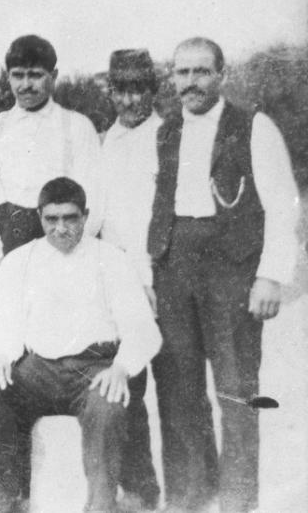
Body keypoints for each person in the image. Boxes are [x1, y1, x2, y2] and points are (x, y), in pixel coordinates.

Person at [148, 37, 299, 513]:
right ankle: (191, 493)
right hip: (174, 265)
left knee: (236, 389)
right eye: (181, 73)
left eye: (200, 72)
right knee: (178, 389)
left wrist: (270, 276)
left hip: (231, 269)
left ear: (221, 74)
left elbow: (282, 205)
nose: (189, 83)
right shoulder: (167, 129)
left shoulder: (254, 127)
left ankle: (237, 500)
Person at [0, 177, 162, 513]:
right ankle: (3, 499)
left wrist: (121, 367)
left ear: (85, 216)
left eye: (70, 218)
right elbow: (2, 322)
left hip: (93, 369)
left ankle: (101, 505)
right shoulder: (19, 260)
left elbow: (142, 327)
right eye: (51, 219)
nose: (60, 229)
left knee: (108, 404)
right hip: (37, 370)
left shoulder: (111, 259)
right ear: (40, 216)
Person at [0, 34, 100, 281]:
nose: (26, 84)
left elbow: (92, 200)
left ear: (54, 75)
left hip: (63, 244)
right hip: (8, 247)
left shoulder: (77, 126)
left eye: (36, 75)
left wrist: (71, 255)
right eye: (18, 75)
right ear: (8, 76)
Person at [94, 48, 164, 511]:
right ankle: (139, 489)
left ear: (153, 90)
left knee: (178, 390)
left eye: (138, 89)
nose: (129, 99)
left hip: (163, 275)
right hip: (118, 280)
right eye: (120, 89)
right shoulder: (104, 141)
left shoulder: (168, 136)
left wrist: (151, 277)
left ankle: (191, 491)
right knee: (128, 388)